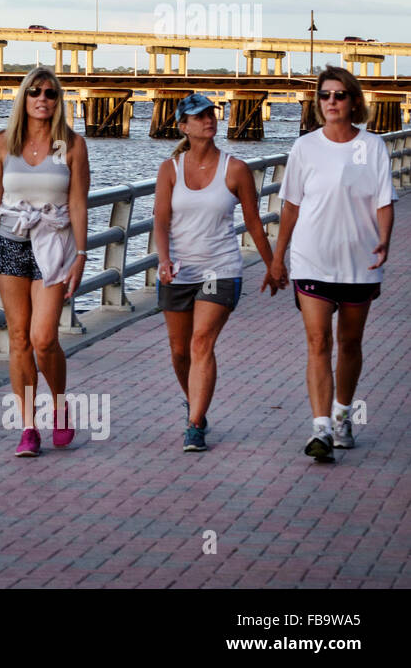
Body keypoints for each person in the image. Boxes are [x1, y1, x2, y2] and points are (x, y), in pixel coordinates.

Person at [267, 66, 395, 462]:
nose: (332, 102)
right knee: (318, 342)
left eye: (339, 95)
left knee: (350, 343)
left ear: (353, 101)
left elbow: (384, 201)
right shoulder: (305, 147)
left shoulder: (372, 147)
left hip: (359, 260)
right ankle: (320, 428)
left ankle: (342, 415)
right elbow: (291, 205)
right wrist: (277, 258)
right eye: (325, 95)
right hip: (312, 259)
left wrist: (385, 239)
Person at [0, 67, 89, 457]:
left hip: (53, 243)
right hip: (8, 244)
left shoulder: (70, 145)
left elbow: (79, 203)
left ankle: (60, 405)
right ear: (23, 97)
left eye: (50, 93)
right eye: (34, 92)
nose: (42, 99)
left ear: (58, 101)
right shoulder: (3, 144)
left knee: (43, 338)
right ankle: (29, 428)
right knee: (18, 339)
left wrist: (82, 255)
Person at [153, 93, 278, 453]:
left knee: (201, 341)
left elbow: (255, 224)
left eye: (212, 113)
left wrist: (273, 265)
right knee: (179, 352)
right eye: (199, 115)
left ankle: (194, 424)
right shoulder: (170, 170)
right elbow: (160, 221)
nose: (209, 119)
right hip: (178, 270)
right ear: (183, 126)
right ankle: (196, 405)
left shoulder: (235, 169)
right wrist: (163, 259)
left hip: (220, 269)